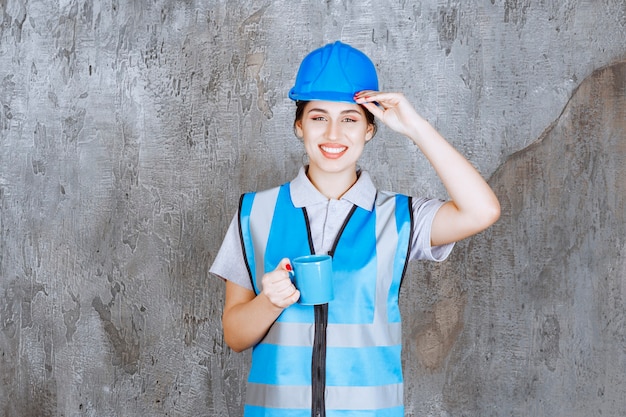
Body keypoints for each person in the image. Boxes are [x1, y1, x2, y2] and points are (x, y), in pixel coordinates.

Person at [210, 41, 500, 417]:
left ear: (370, 129)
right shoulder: (254, 212)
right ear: (299, 125)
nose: (333, 134)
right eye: (318, 117)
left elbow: (482, 210)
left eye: (349, 118)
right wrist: (270, 302)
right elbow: (234, 335)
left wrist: (416, 128)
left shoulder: (400, 218)